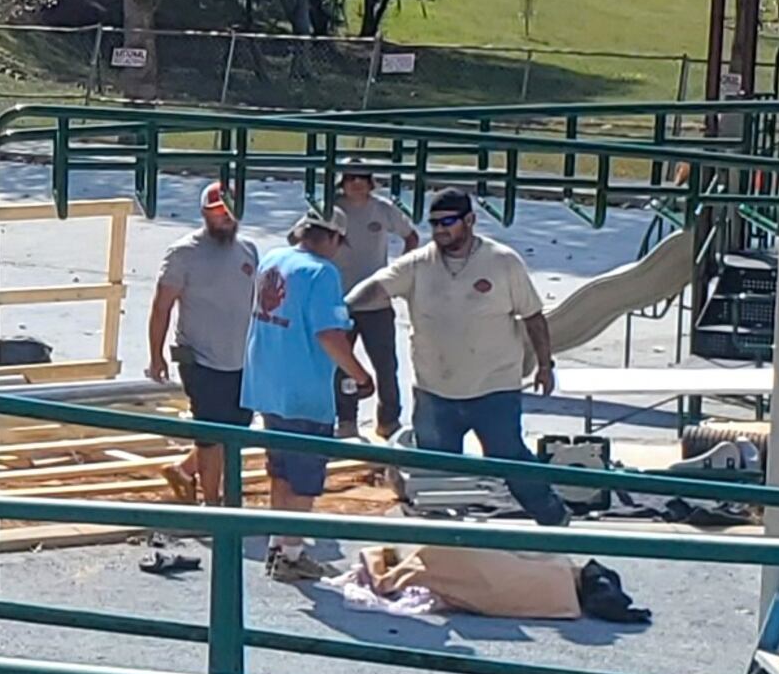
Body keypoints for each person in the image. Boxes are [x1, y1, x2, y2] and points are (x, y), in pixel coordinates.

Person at [347, 188, 567, 527]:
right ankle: (447, 540)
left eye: (448, 222)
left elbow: (533, 317)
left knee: (511, 461)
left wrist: (545, 364)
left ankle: (553, 520)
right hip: (435, 392)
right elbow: (376, 287)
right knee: (436, 474)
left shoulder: (502, 261)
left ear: (470, 221)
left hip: (494, 389)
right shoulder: (418, 264)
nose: (439, 231)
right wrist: (340, 308)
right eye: (434, 223)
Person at [242, 212, 379, 581]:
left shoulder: (273, 259)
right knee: (304, 477)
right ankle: (291, 555)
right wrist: (361, 375)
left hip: (267, 382)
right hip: (304, 389)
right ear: (333, 239)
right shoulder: (323, 273)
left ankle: (278, 543)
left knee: (280, 472)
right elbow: (329, 335)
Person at [144, 184, 260, 508]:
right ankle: (214, 504)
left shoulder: (248, 250)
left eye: (228, 211)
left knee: (235, 428)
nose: (224, 217)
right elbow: (162, 305)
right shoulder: (184, 252)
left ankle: (184, 470)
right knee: (210, 434)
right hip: (200, 358)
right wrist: (156, 356)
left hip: (240, 358)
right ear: (205, 213)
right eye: (217, 211)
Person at [326, 171, 420, 438]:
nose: (356, 184)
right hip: (339, 300)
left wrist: (400, 271)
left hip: (377, 300)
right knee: (342, 363)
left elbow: (411, 236)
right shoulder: (332, 208)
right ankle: (346, 420)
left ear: (371, 182)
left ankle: (388, 420)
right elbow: (297, 236)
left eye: (362, 178)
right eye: (350, 178)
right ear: (341, 182)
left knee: (386, 364)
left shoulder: (382, 209)